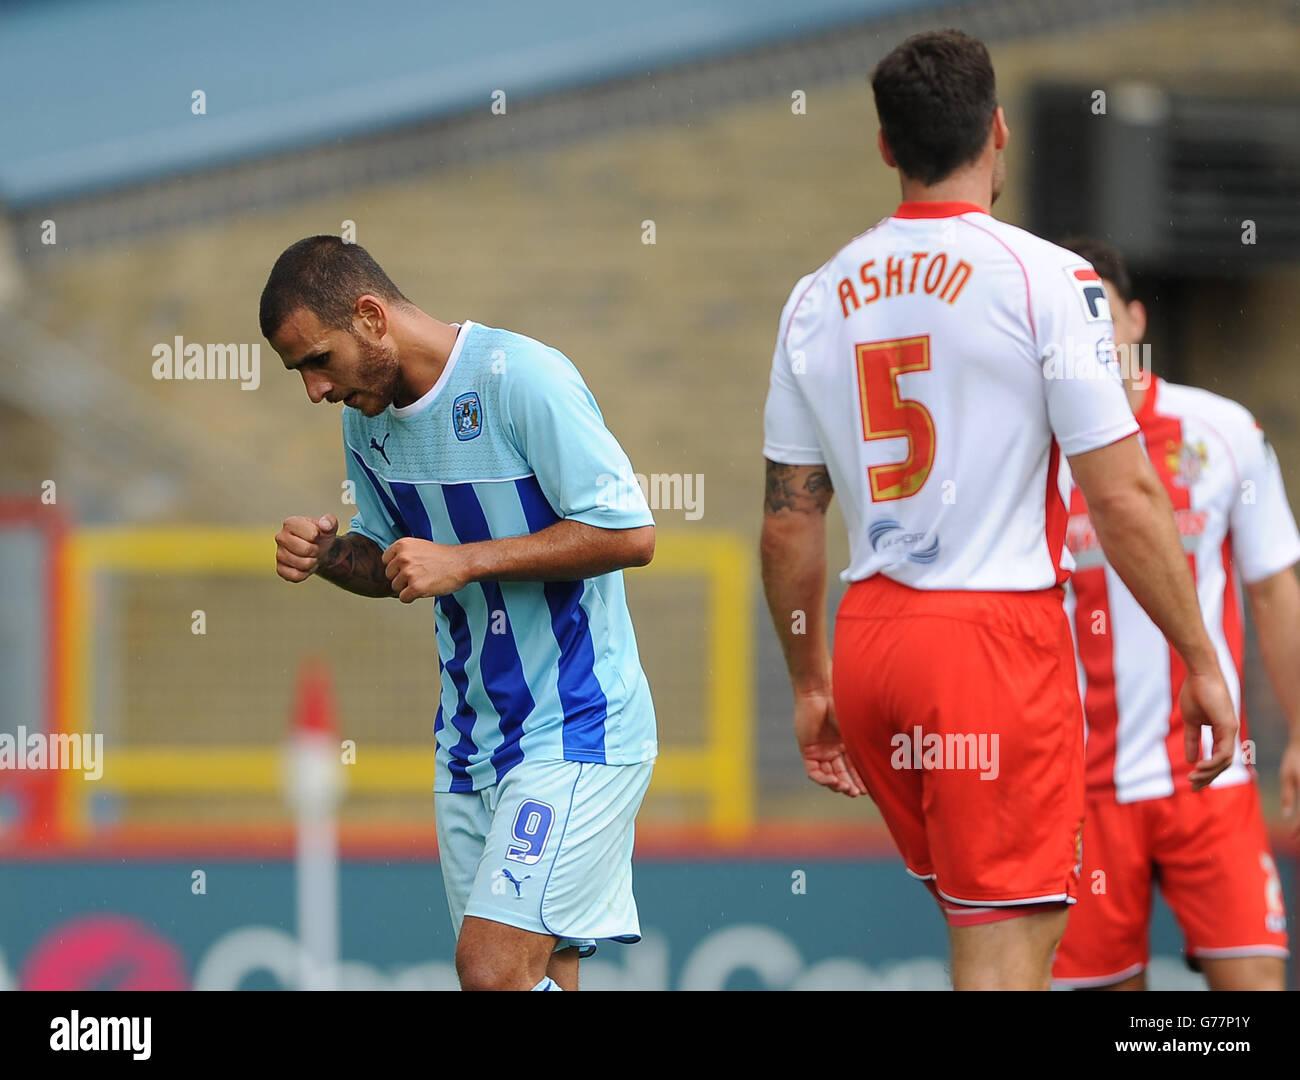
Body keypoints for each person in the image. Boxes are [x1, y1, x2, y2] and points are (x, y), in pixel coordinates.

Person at [759, 29, 1239, 990]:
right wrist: (1199, 657)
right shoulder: (1047, 278)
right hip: (990, 644)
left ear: (887, 147)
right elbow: (1124, 493)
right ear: (999, 132)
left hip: (873, 644)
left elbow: (788, 517)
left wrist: (810, 682)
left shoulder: (816, 297)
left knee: (988, 932)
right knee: (1008, 952)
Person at [261, 236, 657, 991]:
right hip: (469, 746)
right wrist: (330, 556)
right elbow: (394, 565)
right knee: (541, 972)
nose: (314, 390)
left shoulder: (520, 380)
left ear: (371, 316)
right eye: (299, 373)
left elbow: (629, 534)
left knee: (490, 971)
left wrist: (468, 559)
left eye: (317, 361)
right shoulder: (366, 424)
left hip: (578, 727)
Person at [1051, 237, 1300, 991]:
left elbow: (1274, 589)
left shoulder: (1220, 431)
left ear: (1133, 318)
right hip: (1084, 796)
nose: (1092, 335)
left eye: (1103, 313)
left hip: (1209, 778)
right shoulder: (1036, 451)